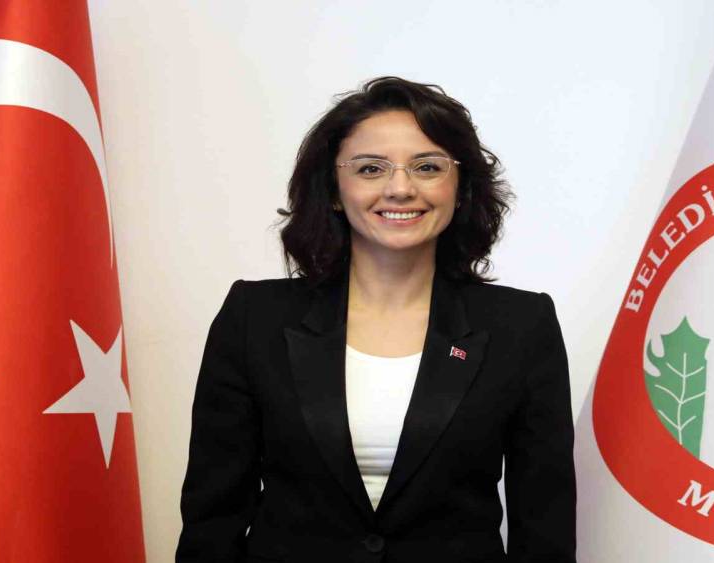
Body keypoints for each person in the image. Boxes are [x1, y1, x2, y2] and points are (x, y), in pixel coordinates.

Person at [175, 77, 576, 563]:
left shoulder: (523, 325)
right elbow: (212, 520)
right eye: (370, 168)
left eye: (427, 167)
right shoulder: (253, 317)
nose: (400, 188)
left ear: (460, 187)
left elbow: (545, 528)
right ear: (334, 189)